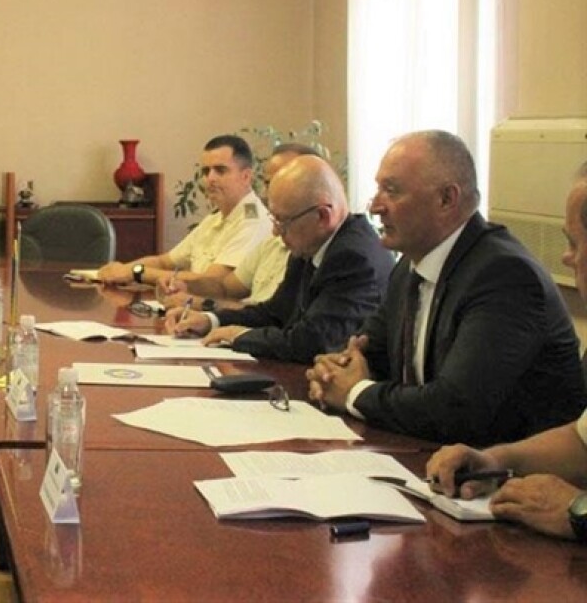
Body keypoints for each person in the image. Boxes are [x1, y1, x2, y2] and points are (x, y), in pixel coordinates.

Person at [306, 131, 585, 446]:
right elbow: (368, 354)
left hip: (510, 468)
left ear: (446, 199)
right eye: (378, 189)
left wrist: (353, 393)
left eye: (391, 191)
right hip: (429, 452)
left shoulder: (504, 275)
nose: (375, 206)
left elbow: (455, 408)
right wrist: (332, 374)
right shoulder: (409, 266)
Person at [423, 164, 587, 541]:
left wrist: (578, 510)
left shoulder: (504, 270)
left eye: (575, 243)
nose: (567, 258)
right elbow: (582, 441)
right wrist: (496, 460)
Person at [168, 156, 393, 362]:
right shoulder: (310, 244)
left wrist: (240, 336)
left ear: (323, 216)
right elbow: (274, 313)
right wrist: (211, 320)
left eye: (282, 222)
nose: (276, 232)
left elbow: (312, 342)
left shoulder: (353, 258)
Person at [98, 135, 271, 288]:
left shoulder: (253, 222)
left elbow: (212, 281)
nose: (210, 178)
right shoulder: (215, 218)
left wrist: (136, 273)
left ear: (246, 176)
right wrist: (122, 269)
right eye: (206, 171)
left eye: (220, 170)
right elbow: (165, 262)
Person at [160, 143, 316, 311]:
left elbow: (273, 317)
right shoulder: (273, 240)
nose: (210, 179)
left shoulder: (313, 251)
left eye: (220, 170)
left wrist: (200, 304)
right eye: (268, 183)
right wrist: (185, 285)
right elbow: (226, 287)